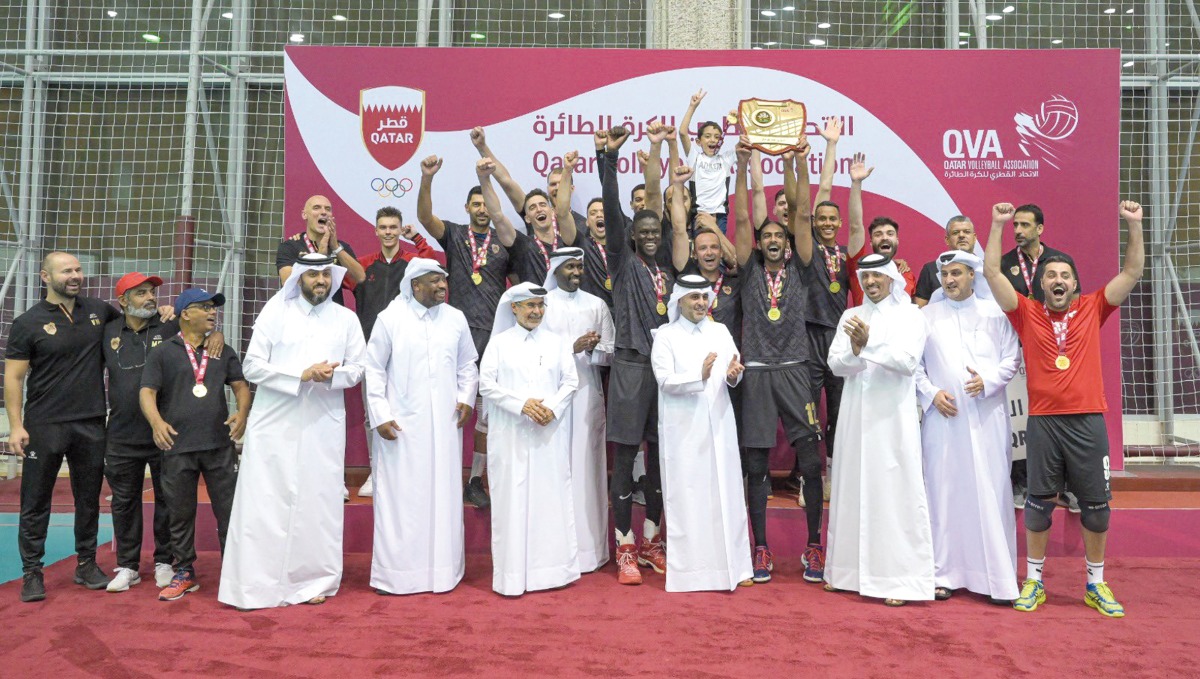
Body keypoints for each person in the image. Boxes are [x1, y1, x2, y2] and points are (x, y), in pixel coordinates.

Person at [984, 200, 1144, 618]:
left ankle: (1095, 583)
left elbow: (1131, 273)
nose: (1058, 279)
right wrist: (998, 225)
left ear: (1075, 284)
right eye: (1051, 274)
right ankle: (1034, 582)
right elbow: (991, 273)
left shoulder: (1093, 307)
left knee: (1096, 508)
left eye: (1065, 275)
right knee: (1038, 505)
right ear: (1041, 285)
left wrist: (1134, 225)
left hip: (1088, 421)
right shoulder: (1026, 312)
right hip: (1043, 424)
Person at [218, 254, 367, 609]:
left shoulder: (345, 319)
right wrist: (301, 375)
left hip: (323, 423)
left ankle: (314, 580)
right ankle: (257, 583)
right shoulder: (275, 311)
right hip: (275, 422)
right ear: (298, 278)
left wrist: (333, 375)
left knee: (318, 502)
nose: (320, 281)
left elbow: (359, 368)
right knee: (267, 500)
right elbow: (252, 366)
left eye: (326, 275)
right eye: (313, 274)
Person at [731, 139, 824, 584]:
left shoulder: (802, 267)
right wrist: (746, 168)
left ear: (786, 242)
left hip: (794, 368)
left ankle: (814, 546)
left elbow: (803, 212)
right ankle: (761, 548)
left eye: (776, 235)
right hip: (757, 374)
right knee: (756, 465)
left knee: (809, 459)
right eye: (765, 236)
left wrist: (799, 163)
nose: (769, 239)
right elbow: (746, 215)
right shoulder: (747, 267)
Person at [5, 252, 123, 601]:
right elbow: (13, 378)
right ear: (45, 277)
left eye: (78, 269)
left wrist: (162, 313)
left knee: (88, 499)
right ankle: (32, 573)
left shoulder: (99, 311)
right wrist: (15, 426)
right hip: (44, 423)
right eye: (66, 271)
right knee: (35, 500)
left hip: (90, 422)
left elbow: (133, 324)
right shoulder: (28, 322)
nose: (75, 275)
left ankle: (86, 564)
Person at [101, 273, 224, 594]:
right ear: (123, 301)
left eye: (152, 292)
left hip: (166, 433)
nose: (151, 298)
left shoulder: (169, 325)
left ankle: (165, 561)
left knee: (170, 501)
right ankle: (127, 565)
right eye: (140, 293)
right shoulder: (107, 330)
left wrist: (218, 333)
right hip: (121, 433)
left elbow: (202, 329)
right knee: (124, 502)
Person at [364, 258, 479, 594]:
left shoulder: (455, 318)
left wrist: (466, 397)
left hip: (444, 426)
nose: (443, 286)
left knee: (443, 495)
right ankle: (396, 575)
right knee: (402, 499)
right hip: (402, 426)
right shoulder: (391, 319)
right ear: (415, 285)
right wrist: (380, 414)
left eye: (444, 281)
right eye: (435, 282)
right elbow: (374, 369)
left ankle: (444, 572)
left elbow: (467, 364)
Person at [824, 254, 933, 606]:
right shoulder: (850, 316)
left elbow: (907, 361)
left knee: (894, 493)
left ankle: (898, 580)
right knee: (852, 487)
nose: (870, 282)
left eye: (876, 276)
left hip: (893, 420)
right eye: (865, 276)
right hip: (855, 416)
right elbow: (836, 364)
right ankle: (845, 574)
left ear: (891, 278)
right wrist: (855, 350)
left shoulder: (911, 316)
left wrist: (867, 345)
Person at [915, 251, 1021, 604]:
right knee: (943, 492)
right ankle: (942, 574)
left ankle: (997, 578)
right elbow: (913, 366)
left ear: (972, 276)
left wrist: (988, 381)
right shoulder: (926, 316)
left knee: (991, 489)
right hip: (942, 420)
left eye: (956, 273)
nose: (949, 280)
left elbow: (1011, 358)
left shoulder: (996, 314)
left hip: (986, 417)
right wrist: (930, 394)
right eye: (944, 274)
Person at [599, 126, 675, 585]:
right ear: (631, 234)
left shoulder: (666, 267)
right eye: (641, 230)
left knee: (661, 459)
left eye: (654, 230)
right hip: (629, 368)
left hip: (664, 374)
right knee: (626, 461)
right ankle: (624, 547)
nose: (648, 235)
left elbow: (660, 198)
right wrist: (609, 161)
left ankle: (651, 542)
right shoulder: (622, 263)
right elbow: (611, 213)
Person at [140, 288, 251, 601]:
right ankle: (185, 570)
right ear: (185, 313)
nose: (213, 312)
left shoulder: (222, 350)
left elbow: (241, 387)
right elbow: (147, 392)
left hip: (219, 444)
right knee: (179, 511)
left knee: (229, 509)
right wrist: (157, 423)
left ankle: (236, 568)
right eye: (205, 308)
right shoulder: (163, 352)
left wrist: (242, 412)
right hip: (177, 444)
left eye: (213, 308)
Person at [417, 154, 514, 509]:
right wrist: (427, 179)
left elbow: (517, 288)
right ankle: (441, 474)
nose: (481, 209)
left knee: (486, 412)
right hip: (455, 333)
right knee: (448, 404)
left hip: (494, 333)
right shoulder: (456, 235)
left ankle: (475, 479)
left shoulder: (505, 241)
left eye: (485, 204)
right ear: (467, 207)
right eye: (475, 204)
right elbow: (425, 218)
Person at [651, 275, 753, 592]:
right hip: (683, 430)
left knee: (727, 494)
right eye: (693, 297)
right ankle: (690, 573)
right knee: (688, 496)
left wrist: (733, 375)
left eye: (703, 297)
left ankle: (734, 568)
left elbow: (732, 372)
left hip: (719, 425)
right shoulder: (665, 335)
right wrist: (700, 375)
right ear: (679, 300)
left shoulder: (720, 331)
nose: (699, 303)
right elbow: (665, 380)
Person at [479, 283, 580, 596]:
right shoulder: (498, 343)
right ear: (514, 308)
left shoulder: (557, 342)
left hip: (548, 433)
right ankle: (512, 576)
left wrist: (551, 408)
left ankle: (552, 572)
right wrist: (521, 404)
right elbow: (486, 385)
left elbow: (570, 382)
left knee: (549, 500)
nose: (536, 311)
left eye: (540, 305)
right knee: (512, 500)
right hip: (510, 435)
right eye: (529, 306)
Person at [996, 203, 1077, 510]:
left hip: (1053, 352)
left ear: (1039, 229)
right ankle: (1021, 483)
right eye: (1015, 225)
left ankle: (1067, 486)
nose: (1018, 230)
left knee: (1062, 417)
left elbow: (1076, 305)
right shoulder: (1005, 263)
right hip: (1016, 349)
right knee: (1021, 418)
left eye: (1024, 225)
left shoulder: (1060, 262)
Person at [352, 206, 436, 497]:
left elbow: (432, 269)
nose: (388, 232)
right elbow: (342, 278)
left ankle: (408, 473)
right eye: (383, 227)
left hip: (406, 351)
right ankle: (377, 473)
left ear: (401, 230)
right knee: (371, 413)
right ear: (376, 231)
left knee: (408, 410)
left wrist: (419, 240)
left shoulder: (412, 262)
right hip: (370, 352)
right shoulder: (364, 266)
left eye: (393, 227)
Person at [541, 248, 615, 573]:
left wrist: (592, 349)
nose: (575, 272)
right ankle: (553, 550)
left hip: (587, 395)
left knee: (588, 470)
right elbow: (535, 351)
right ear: (555, 268)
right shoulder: (542, 303)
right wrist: (570, 348)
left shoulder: (596, 304)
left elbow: (612, 353)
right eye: (569, 266)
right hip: (551, 397)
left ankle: (590, 552)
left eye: (579, 267)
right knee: (552, 469)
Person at [274, 194, 366, 305]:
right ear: (304, 215)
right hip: (302, 314)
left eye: (328, 209)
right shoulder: (290, 246)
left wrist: (336, 248)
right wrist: (321, 252)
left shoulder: (341, 247)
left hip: (332, 315)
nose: (323, 212)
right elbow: (288, 283)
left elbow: (360, 277)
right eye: (316, 208)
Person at [680, 89, 735, 232]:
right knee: (700, 251)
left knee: (720, 250)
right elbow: (682, 133)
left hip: (720, 216)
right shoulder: (695, 158)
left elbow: (747, 142)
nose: (713, 140)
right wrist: (693, 106)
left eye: (717, 137)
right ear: (698, 141)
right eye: (708, 136)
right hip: (699, 215)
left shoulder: (726, 160)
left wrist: (740, 121)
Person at [913, 216, 982, 307]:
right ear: (947, 240)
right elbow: (919, 310)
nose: (961, 235)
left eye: (966, 232)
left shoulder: (987, 269)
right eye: (955, 232)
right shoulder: (931, 269)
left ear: (974, 238)